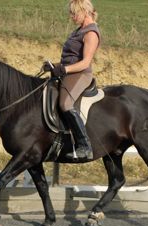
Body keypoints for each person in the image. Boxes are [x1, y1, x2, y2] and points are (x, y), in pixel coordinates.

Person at [44, 0, 100, 160]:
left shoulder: (91, 33)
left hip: (81, 74)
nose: (72, 16)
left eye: (74, 13)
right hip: (68, 72)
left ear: (85, 12)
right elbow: (70, 58)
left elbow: (85, 62)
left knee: (65, 103)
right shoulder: (78, 31)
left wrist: (64, 69)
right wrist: (55, 66)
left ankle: (84, 146)